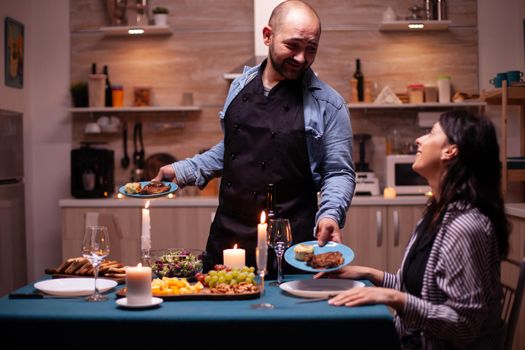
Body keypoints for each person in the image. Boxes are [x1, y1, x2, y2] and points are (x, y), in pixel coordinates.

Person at [153, 1, 355, 272]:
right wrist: (184, 170)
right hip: (228, 237)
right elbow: (234, 149)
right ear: (268, 35)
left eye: (311, 49)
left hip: (291, 245)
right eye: (292, 45)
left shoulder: (329, 104)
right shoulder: (240, 86)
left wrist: (330, 214)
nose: (301, 58)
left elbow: (339, 172)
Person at [318, 110, 509, 350]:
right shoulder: (437, 213)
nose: (419, 140)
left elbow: (464, 326)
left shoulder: (466, 227)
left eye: (431, 133)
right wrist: (367, 273)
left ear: (451, 151)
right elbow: (419, 288)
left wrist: (394, 299)